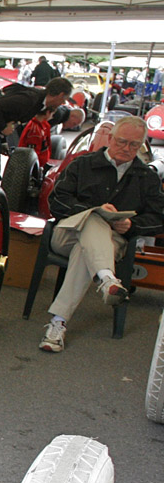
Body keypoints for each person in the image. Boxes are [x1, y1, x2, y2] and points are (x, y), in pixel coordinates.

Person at [38, 116, 164, 352]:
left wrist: (131, 224)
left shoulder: (145, 177)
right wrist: (90, 211)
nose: (127, 149)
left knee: (83, 252)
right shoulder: (82, 164)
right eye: (122, 142)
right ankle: (106, 278)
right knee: (95, 217)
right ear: (110, 138)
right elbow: (56, 202)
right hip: (67, 234)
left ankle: (58, 323)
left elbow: (159, 217)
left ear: (143, 146)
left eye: (134, 145)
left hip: (112, 243)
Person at [0, 76, 73, 183]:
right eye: (63, 100)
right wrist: (3, 127)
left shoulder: (38, 98)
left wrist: (4, 139)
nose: (62, 104)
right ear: (60, 95)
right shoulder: (30, 99)